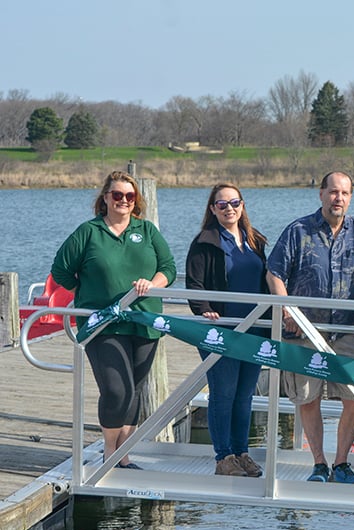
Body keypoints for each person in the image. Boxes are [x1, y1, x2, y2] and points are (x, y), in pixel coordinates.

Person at [50, 170, 176, 469]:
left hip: (143, 320)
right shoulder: (89, 232)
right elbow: (61, 271)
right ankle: (109, 449)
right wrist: (88, 292)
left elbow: (168, 268)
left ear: (136, 201)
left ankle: (123, 453)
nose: (123, 201)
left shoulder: (146, 231)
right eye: (117, 195)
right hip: (103, 324)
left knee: (133, 390)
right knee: (116, 389)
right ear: (105, 198)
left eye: (129, 196)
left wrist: (152, 283)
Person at [266, 171, 354, 484]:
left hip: (345, 331)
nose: (338, 198)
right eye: (333, 192)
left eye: (344, 193)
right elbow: (275, 272)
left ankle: (341, 464)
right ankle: (319, 464)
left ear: (351, 197)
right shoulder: (298, 230)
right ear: (321, 194)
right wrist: (287, 307)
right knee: (307, 399)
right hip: (303, 331)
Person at [185, 183, 269, 477]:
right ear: (213, 209)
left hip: (255, 329)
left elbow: (267, 281)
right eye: (222, 205)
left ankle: (241, 452)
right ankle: (224, 456)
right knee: (223, 392)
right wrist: (203, 309)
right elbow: (194, 286)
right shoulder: (205, 242)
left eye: (234, 203)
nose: (229, 208)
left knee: (245, 394)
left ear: (243, 205)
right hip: (220, 330)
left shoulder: (255, 240)